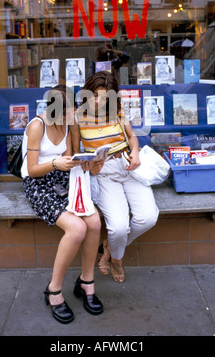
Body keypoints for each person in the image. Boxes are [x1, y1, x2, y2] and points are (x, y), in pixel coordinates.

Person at [21, 84, 103, 324]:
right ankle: (54, 290)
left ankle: (87, 282)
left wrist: (87, 163)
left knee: (95, 222)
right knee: (77, 228)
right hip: (39, 183)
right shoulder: (37, 126)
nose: (72, 116)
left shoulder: (69, 122)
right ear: (54, 109)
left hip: (64, 179)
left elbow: (71, 157)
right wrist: (57, 163)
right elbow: (33, 169)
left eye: (73, 110)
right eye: (67, 112)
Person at [73, 72, 159, 283]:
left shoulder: (118, 112)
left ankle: (110, 248)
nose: (98, 101)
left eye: (104, 97)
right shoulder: (76, 116)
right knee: (118, 227)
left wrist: (136, 153)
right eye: (94, 95)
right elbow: (76, 154)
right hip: (103, 174)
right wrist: (89, 166)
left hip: (128, 167)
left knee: (148, 218)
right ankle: (117, 260)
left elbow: (131, 137)